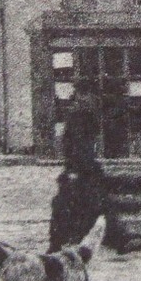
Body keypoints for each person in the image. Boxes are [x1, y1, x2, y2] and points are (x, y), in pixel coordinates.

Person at [48, 80, 108, 252]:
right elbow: (74, 145)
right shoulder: (78, 116)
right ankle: (57, 242)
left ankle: (59, 241)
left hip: (84, 168)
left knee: (93, 204)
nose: (90, 99)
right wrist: (74, 169)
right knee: (64, 205)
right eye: (86, 95)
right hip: (80, 168)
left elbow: (80, 144)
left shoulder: (85, 114)